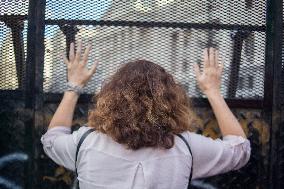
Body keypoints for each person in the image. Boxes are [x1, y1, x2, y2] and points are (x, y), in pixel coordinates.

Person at [41, 41, 250, 189]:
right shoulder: (186, 147)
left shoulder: (84, 143)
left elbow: (52, 140)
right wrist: (212, 91)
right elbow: (239, 150)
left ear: (109, 98)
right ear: (171, 101)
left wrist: (74, 87)